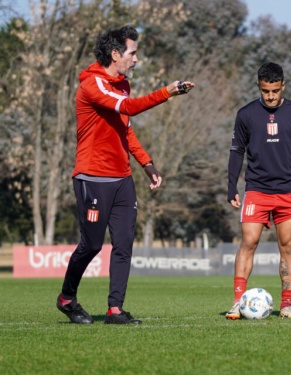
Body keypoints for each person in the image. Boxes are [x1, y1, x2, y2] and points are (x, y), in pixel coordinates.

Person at [56, 25, 195, 324]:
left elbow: (125, 129)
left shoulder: (122, 84)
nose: (136, 59)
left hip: (122, 181)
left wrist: (146, 163)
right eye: (133, 53)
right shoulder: (92, 85)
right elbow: (131, 107)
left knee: (123, 244)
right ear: (115, 54)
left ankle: (114, 309)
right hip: (92, 178)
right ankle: (67, 297)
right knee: (92, 245)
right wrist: (167, 92)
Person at [225, 62, 291, 319]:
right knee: (248, 242)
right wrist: (232, 184)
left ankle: (287, 305)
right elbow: (237, 151)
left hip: (288, 190)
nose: (270, 96)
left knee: (288, 247)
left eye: (275, 91)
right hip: (256, 189)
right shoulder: (246, 114)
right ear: (259, 87)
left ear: (283, 86)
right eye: (266, 91)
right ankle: (237, 302)